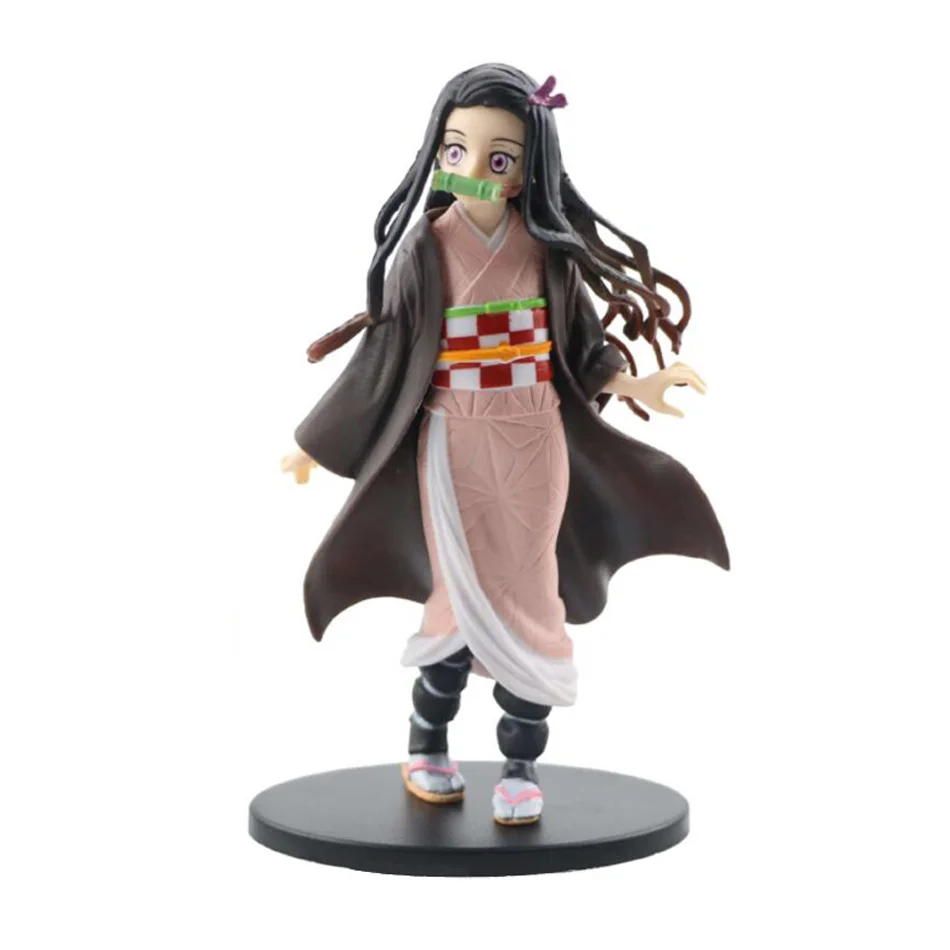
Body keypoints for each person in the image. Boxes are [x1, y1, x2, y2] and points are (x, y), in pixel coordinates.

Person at [281, 64, 729, 825]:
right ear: (436, 153)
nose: (474, 171)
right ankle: (427, 744)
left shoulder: (549, 251)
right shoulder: (425, 248)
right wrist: (316, 444)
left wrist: (638, 384)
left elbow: (583, 348)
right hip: (452, 438)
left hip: (534, 437)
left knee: (530, 594)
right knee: (456, 595)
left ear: (526, 171)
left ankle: (521, 764)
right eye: (456, 151)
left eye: (498, 158)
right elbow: (384, 354)